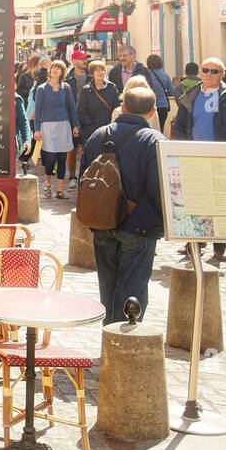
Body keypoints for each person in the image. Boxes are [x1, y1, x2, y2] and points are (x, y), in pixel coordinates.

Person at [80, 87, 165, 325]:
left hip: (102, 222)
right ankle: (123, 345)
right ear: (152, 112)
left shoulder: (99, 134)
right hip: (140, 226)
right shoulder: (154, 141)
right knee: (133, 291)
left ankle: (110, 336)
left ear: (123, 107)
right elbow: (159, 189)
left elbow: (83, 180)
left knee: (108, 286)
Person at [172, 57, 226, 262]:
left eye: (214, 71)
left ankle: (219, 247)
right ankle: (195, 243)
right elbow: (180, 125)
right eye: (205, 70)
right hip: (194, 157)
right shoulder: (190, 96)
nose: (209, 74)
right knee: (195, 202)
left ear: (222, 74)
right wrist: (184, 147)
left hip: (220, 159)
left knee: (218, 203)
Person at [31, 59, 79, 200]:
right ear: (50, 71)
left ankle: (59, 190)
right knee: (50, 157)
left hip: (63, 125)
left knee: (62, 157)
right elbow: (38, 110)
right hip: (47, 126)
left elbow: (72, 107)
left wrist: (75, 125)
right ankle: (47, 184)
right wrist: (37, 130)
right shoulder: (42, 89)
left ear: (62, 72)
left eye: (58, 68)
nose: (55, 70)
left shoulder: (66, 88)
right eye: (53, 68)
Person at [78, 59, 120, 154]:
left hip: (109, 129)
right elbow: (81, 111)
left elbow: (116, 108)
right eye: (97, 70)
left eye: (102, 70)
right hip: (91, 131)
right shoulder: (86, 90)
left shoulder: (112, 87)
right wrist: (92, 125)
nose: (100, 72)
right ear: (92, 73)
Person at [64, 47, 91, 189]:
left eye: (85, 58)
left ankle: (84, 176)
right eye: (81, 59)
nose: (84, 61)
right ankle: (72, 177)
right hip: (70, 118)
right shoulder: (67, 79)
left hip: (87, 118)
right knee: (72, 149)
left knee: (85, 149)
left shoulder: (91, 77)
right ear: (74, 61)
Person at [146, 54, 175, 133]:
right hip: (163, 106)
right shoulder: (165, 75)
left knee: (149, 130)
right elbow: (171, 92)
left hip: (150, 106)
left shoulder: (146, 75)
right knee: (160, 129)